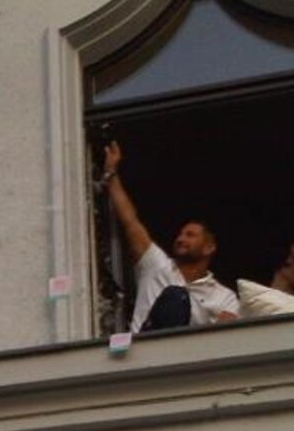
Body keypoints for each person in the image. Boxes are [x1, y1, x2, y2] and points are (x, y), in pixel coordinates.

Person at [101, 140, 239, 331]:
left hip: (190, 350)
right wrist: (111, 174)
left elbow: (227, 337)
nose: (181, 239)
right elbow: (130, 221)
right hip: (144, 346)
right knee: (175, 297)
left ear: (209, 247)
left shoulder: (223, 297)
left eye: (190, 235)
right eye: (181, 234)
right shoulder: (156, 265)